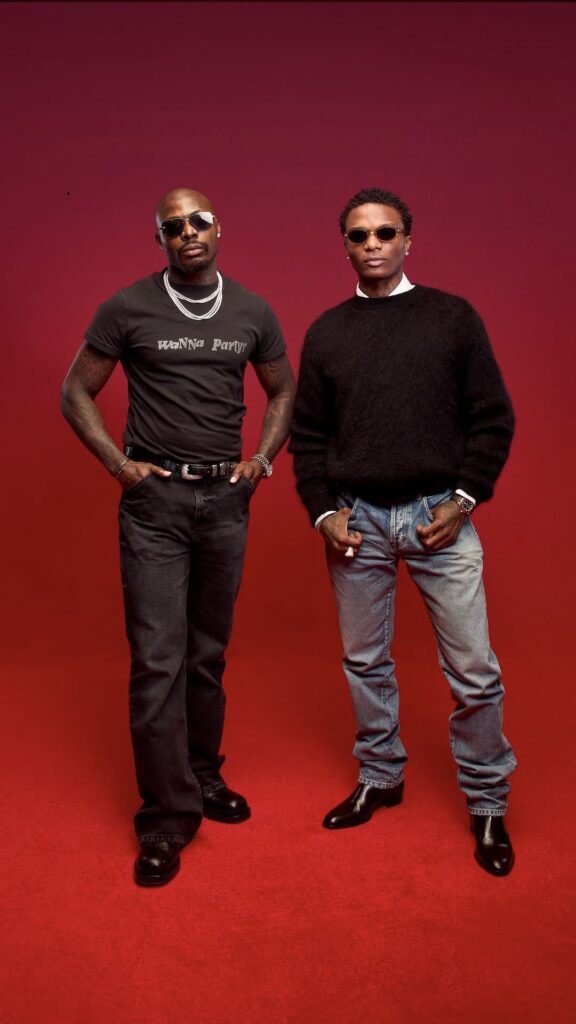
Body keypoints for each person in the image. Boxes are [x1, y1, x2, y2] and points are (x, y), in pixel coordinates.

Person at [61, 187, 295, 886]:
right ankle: (166, 816)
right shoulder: (127, 307)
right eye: (173, 225)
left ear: (219, 228)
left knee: (207, 653)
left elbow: (283, 390)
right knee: (158, 660)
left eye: (199, 221)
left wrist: (261, 462)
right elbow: (76, 390)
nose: (188, 231)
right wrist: (119, 466)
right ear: (159, 238)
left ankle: (201, 774)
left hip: (225, 500)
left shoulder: (252, 311)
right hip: (155, 504)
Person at [290, 188, 517, 876]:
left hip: (436, 516)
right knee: (364, 662)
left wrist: (464, 499)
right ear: (345, 246)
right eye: (359, 235)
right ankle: (381, 775)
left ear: (408, 240)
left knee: (473, 670)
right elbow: (308, 437)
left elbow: (493, 417)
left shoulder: (452, 318)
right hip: (357, 519)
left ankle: (488, 801)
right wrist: (324, 512)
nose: (373, 245)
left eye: (385, 233)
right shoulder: (327, 332)